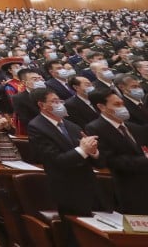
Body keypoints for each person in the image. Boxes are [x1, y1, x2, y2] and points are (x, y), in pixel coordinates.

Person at [26, 86, 103, 237]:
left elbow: (96, 159)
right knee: (76, 235)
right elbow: (56, 160)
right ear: (41, 105)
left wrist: (93, 152)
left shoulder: (71, 125)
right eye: (54, 101)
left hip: (89, 186)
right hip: (67, 189)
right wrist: (83, 150)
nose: (60, 104)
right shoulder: (36, 126)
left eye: (60, 100)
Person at [86, 89, 148, 214]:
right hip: (128, 189)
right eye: (117, 105)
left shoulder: (136, 128)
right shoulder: (95, 128)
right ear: (102, 107)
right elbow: (111, 160)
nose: (122, 107)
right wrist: (146, 160)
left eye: (122, 104)